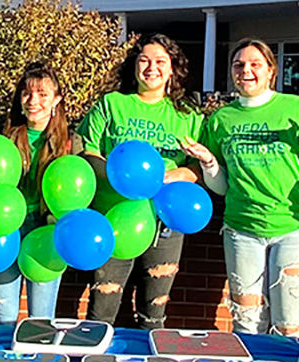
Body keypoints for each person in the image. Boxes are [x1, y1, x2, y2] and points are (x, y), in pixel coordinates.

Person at [183, 38, 299, 337]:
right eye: (239, 65)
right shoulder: (221, 120)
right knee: (246, 324)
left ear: (271, 71)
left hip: (297, 230)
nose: (246, 71)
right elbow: (221, 187)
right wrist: (208, 162)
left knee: (291, 328)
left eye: (255, 64)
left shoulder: (298, 109)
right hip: (242, 231)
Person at [79, 33, 205, 329]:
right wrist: (120, 176)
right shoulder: (111, 105)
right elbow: (88, 152)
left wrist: (164, 178)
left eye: (161, 61)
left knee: (153, 315)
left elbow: (196, 169)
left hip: (165, 223)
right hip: (113, 219)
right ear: (134, 65)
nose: (152, 67)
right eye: (144, 60)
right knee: (102, 311)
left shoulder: (187, 115)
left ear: (173, 68)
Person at [0, 62, 71, 325]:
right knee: (4, 317)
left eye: (42, 94)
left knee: (42, 320)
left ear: (56, 100)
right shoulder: (2, 136)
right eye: (27, 93)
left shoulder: (70, 142)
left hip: (45, 233)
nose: (33, 101)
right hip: (3, 230)